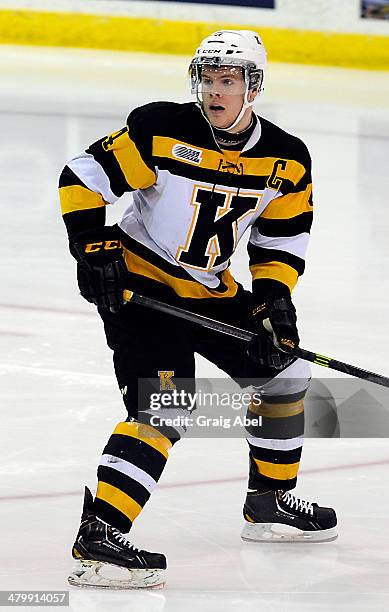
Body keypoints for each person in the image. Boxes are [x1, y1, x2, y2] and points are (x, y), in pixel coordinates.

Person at [59, 29, 337, 589]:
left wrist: (274, 303)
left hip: (207, 288)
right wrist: (93, 247)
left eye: (228, 79)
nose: (214, 89)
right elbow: (82, 179)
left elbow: (280, 239)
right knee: (166, 407)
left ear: (252, 87)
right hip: (140, 285)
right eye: (207, 77)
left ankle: (270, 502)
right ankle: (100, 536)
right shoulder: (161, 128)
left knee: (284, 371)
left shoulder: (285, 158)